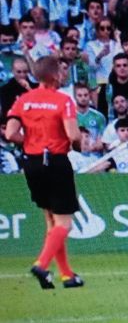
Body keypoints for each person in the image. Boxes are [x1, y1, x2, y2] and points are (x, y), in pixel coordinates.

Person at [5, 55, 83, 289]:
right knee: (65, 224)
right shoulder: (63, 100)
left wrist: (31, 142)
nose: (63, 74)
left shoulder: (24, 100)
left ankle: (67, 276)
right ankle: (41, 264)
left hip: (32, 163)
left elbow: (9, 134)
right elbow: (74, 135)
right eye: (61, 70)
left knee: (51, 221)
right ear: (54, 75)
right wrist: (78, 147)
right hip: (56, 161)